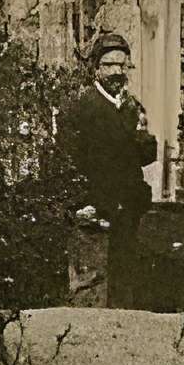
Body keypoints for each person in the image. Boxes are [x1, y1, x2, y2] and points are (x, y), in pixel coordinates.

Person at [59, 32, 159, 306]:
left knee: (125, 284)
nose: (116, 71)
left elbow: (147, 155)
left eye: (121, 65)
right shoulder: (79, 106)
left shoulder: (132, 108)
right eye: (109, 65)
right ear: (96, 68)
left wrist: (142, 136)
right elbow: (66, 158)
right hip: (93, 207)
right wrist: (79, 201)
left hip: (127, 207)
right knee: (90, 287)